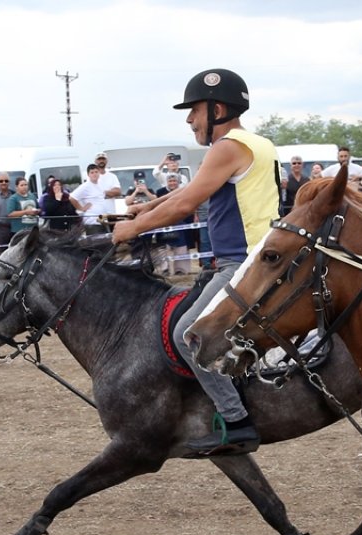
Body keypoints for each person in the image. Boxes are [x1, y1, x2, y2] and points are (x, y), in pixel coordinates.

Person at [111, 68, 280, 456]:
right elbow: (191, 191)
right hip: (253, 257)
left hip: (242, 264)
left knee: (189, 335)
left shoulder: (226, 147)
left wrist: (132, 229)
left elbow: (186, 204)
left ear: (217, 108)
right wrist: (149, 206)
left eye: (194, 111)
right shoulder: (255, 144)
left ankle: (235, 420)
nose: (189, 120)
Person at [71, 165, 107, 234]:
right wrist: (81, 208)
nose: (94, 174)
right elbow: (72, 198)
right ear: (88, 175)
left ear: (99, 173)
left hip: (102, 220)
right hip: (92, 222)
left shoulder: (101, 184)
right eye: (92, 172)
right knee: (96, 243)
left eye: (96, 172)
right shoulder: (85, 186)